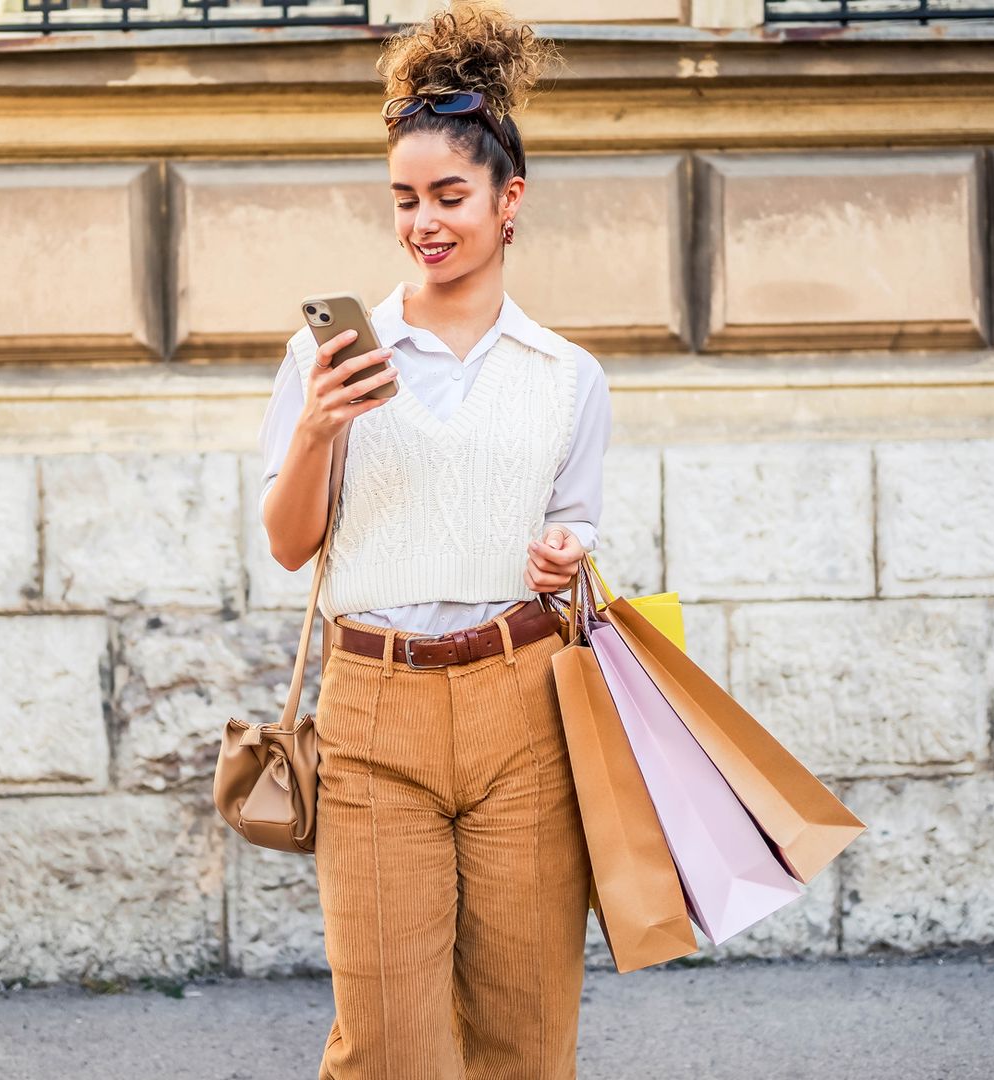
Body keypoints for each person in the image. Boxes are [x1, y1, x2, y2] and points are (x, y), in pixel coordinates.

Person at [254, 5, 611, 1076]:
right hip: (373, 712)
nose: (425, 222)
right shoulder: (331, 358)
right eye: (405, 199)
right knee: (389, 1046)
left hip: (524, 705)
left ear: (510, 203)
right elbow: (286, 544)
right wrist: (318, 427)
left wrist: (563, 559)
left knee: (526, 1035)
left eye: (450, 197)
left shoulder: (567, 376)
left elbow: (573, 538)